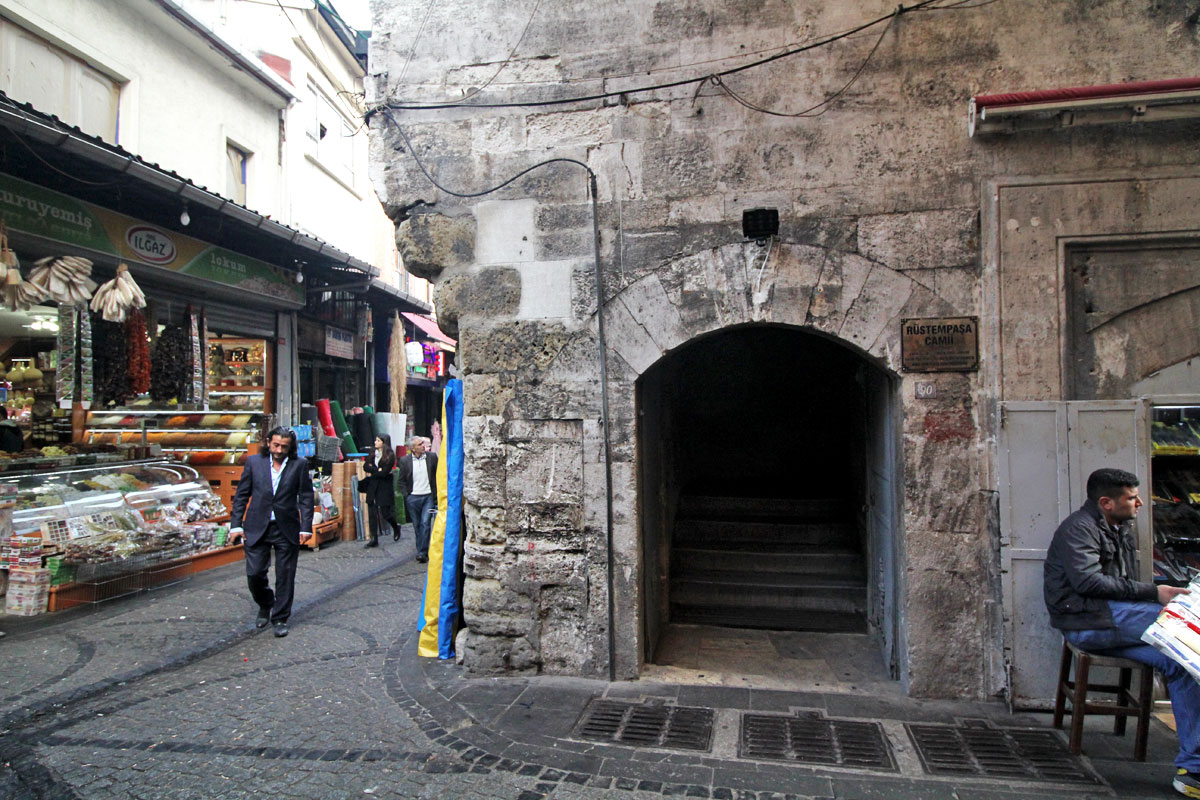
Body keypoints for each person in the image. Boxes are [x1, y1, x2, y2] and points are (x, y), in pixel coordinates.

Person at [1043, 467, 1200, 797]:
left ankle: (1192, 770)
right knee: (1177, 627)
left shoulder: (1118, 528)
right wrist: (1153, 593)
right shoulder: (1079, 529)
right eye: (1131, 497)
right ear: (1106, 502)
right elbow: (1088, 583)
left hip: (1111, 619)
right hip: (1087, 623)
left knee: (1182, 663)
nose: (1140, 502)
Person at [228, 427, 314, 638]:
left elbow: (306, 497)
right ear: (268, 442)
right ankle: (266, 603)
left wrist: (306, 526)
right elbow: (241, 495)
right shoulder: (254, 463)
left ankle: (280, 618)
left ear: (290, 447)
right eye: (276, 445)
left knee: (285, 575)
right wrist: (236, 525)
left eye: (284, 446)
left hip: (286, 527)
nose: (279, 450)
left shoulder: (299, 465)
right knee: (254, 573)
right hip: (257, 526)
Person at [397, 434, 437, 563]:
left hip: (428, 496)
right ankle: (420, 548)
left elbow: (436, 476)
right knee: (417, 525)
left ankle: (422, 552)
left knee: (425, 523)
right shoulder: (405, 461)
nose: (423, 446)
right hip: (413, 497)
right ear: (413, 449)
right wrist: (407, 495)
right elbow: (401, 481)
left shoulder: (431, 457)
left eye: (423, 443)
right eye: (420, 444)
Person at [361, 433, 401, 548]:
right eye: (375, 440)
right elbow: (365, 467)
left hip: (384, 486)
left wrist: (376, 471)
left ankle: (395, 526)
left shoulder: (390, 455)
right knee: (372, 512)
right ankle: (374, 538)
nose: (375, 442)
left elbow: (385, 472)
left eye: (378, 440)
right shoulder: (373, 452)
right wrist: (376, 469)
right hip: (373, 485)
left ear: (384, 442)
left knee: (385, 513)